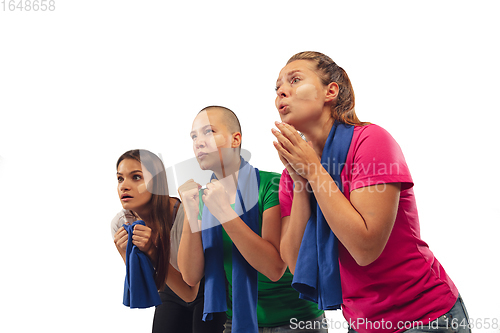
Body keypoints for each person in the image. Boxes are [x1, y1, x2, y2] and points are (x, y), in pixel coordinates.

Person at [272, 51, 471, 333]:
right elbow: (294, 263)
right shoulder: (294, 172)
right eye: (277, 87)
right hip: (362, 323)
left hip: (425, 317)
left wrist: (315, 172)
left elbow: (365, 249)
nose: (281, 90)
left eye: (294, 80)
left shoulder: (371, 141)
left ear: (330, 91)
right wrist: (301, 181)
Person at [177, 106, 326, 333]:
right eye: (194, 136)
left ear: (235, 139)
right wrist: (190, 210)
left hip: (296, 321)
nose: (199, 142)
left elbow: (274, 268)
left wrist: (224, 212)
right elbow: (190, 275)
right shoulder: (202, 199)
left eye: (209, 132)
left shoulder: (272, 185)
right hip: (236, 322)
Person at [111, 149, 226, 333]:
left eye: (136, 177)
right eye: (120, 178)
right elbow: (149, 286)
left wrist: (152, 252)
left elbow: (190, 293)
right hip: (169, 286)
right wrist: (126, 254)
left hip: (207, 286)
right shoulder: (121, 224)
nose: (124, 186)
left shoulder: (183, 216)